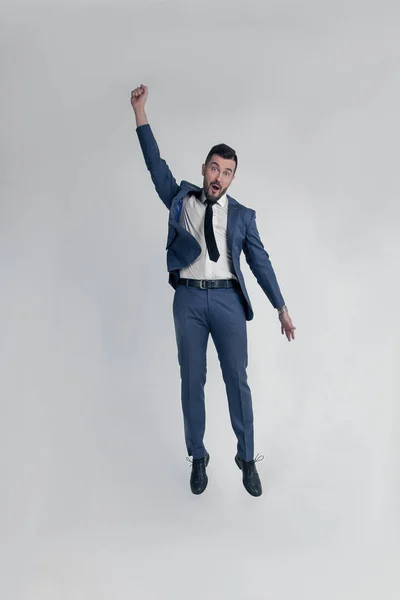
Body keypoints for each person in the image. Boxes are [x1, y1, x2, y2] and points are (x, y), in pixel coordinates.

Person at [131, 84, 296, 497]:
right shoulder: (181, 199)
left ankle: (246, 458)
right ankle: (198, 456)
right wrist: (140, 114)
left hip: (227, 301)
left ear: (232, 177)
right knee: (192, 379)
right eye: (213, 168)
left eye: (226, 172)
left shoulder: (243, 216)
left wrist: (281, 307)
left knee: (236, 381)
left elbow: (260, 263)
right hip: (187, 298)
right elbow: (155, 165)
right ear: (203, 168)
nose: (218, 177)